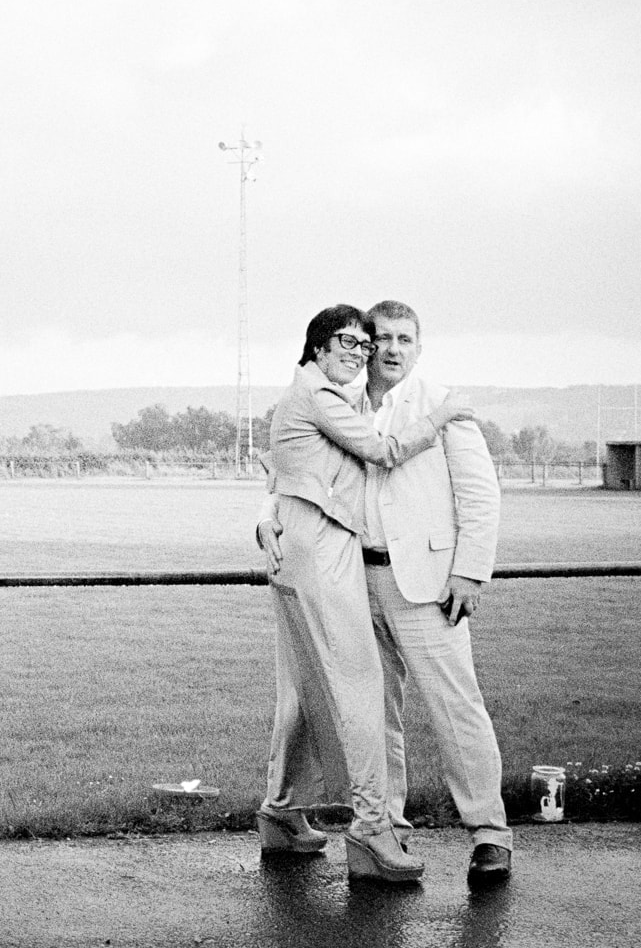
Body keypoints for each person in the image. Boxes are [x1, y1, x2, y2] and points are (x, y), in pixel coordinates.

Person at [255, 304, 472, 884]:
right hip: (322, 552)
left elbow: (283, 467)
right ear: (317, 348)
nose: (358, 352)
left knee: (303, 687)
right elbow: (385, 452)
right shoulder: (321, 397)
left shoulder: (318, 394)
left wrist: (269, 511)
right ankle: (373, 833)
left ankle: (281, 813)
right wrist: (445, 414)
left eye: (362, 344)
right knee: (359, 685)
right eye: (345, 342)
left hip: (303, 547)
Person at [360, 299, 511, 887]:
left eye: (405, 338)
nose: (393, 348)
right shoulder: (343, 401)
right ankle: (387, 831)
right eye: (382, 337)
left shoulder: (445, 407)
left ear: (418, 348)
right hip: (355, 583)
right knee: (375, 714)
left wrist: (469, 572)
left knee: (456, 708)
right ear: (365, 344)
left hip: (428, 587)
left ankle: (489, 835)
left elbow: (480, 495)